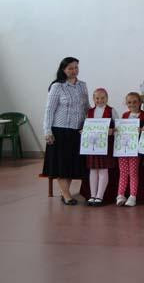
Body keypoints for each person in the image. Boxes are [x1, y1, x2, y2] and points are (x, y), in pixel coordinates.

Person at [43, 57, 89, 205]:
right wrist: (47, 131)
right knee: (61, 164)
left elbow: (87, 108)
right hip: (60, 131)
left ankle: (65, 193)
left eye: (76, 67)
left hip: (77, 131)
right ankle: (67, 195)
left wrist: (90, 125)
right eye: (70, 68)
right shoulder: (57, 86)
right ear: (63, 70)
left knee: (70, 164)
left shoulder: (82, 86)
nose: (74, 71)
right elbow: (49, 110)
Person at [85, 88, 117, 207]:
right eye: (97, 98)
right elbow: (87, 126)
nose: (100, 100)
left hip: (106, 145)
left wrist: (112, 130)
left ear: (107, 98)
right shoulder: (89, 112)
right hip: (93, 146)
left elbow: (118, 127)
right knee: (93, 170)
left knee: (103, 170)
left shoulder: (111, 110)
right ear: (93, 99)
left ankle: (100, 196)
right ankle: (92, 195)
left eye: (103, 98)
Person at [116, 92, 144, 207]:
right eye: (129, 102)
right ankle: (120, 195)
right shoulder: (124, 115)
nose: (132, 104)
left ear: (140, 102)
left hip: (135, 150)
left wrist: (142, 130)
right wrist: (117, 130)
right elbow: (120, 129)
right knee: (123, 173)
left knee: (133, 172)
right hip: (123, 149)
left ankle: (132, 196)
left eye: (135, 102)